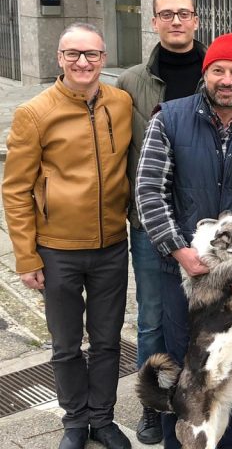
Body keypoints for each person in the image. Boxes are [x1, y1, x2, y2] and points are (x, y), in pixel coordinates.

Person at [135, 32, 232, 449]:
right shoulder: (169, 118)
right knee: (189, 385)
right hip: (185, 280)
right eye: (218, 70)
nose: (226, 79)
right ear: (205, 74)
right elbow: (149, 191)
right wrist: (180, 251)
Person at [2, 23, 132, 449]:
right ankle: (75, 422)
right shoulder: (35, 113)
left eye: (91, 54)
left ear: (104, 57)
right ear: (59, 58)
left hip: (112, 245)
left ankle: (103, 418)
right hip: (56, 250)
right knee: (66, 345)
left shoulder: (122, 103)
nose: (82, 62)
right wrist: (25, 256)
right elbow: (16, 188)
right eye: (73, 54)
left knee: (109, 340)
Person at [116, 0, 205, 445]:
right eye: (166, 14)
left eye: (183, 13)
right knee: (152, 317)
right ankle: (153, 405)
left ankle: (201, 397)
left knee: (205, 318)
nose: (175, 21)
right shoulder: (132, 82)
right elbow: (119, 153)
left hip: (207, 226)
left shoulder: (217, 73)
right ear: (153, 21)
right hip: (150, 224)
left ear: (195, 19)